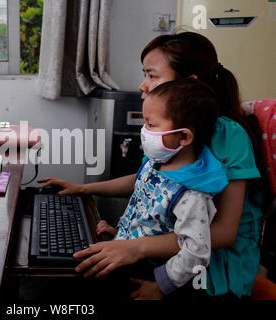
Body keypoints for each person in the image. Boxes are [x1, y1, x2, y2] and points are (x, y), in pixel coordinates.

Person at [38, 32, 266, 299]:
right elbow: (150, 181)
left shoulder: (229, 135)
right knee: (68, 278)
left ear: (187, 85)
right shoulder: (167, 134)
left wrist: (136, 247)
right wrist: (82, 189)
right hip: (164, 250)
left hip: (207, 271)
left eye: (152, 75)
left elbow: (225, 232)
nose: (142, 85)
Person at [109, 78, 228, 299]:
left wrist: (160, 287)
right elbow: (147, 214)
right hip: (129, 255)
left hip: (153, 277)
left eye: (152, 125)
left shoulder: (191, 194)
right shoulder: (155, 164)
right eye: (145, 123)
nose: (144, 131)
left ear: (184, 136)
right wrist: (122, 234)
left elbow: (196, 253)